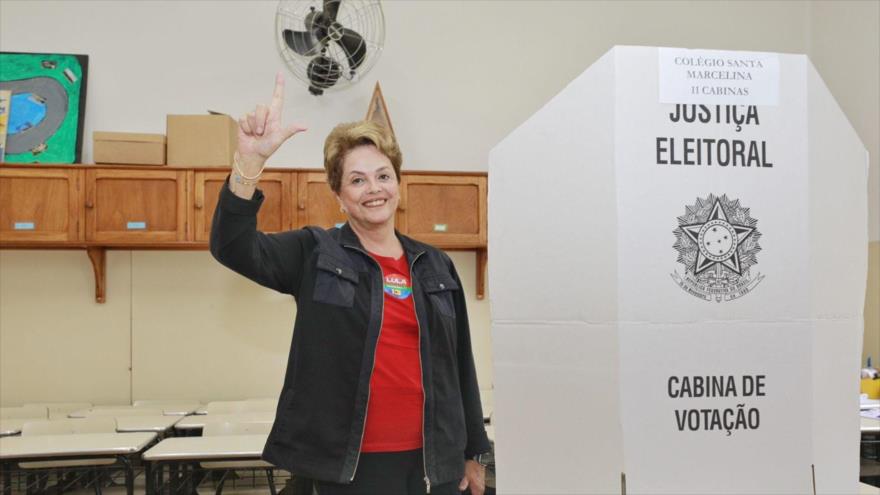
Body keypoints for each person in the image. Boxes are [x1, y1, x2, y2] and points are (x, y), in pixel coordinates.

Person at [209, 72, 491, 495]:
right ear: (339, 196)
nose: (373, 189)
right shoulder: (315, 253)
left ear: (398, 185)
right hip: (347, 468)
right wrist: (249, 164)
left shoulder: (435, 265)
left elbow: (460, 365)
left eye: (383, 176)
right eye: (357, 180)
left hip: (434, 463)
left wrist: (474, 451)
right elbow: (231, 246)